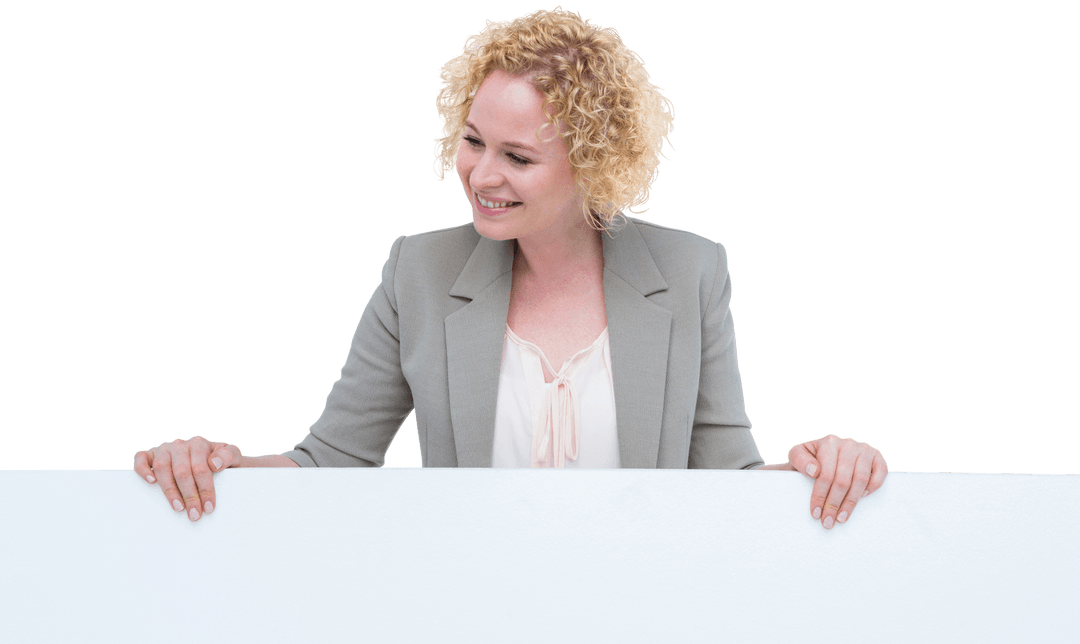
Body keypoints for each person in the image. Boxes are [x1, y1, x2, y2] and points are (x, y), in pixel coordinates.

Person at [132, 6, 887, 528]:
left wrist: (823, 468)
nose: (481, 175)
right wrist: (212, 466)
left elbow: (728, 472)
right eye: (473, 141)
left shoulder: (692, 270)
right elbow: (332, 458)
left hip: (642, 610)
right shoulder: (417, 269)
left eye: (518, 157)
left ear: (593, 164)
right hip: (470, 609)